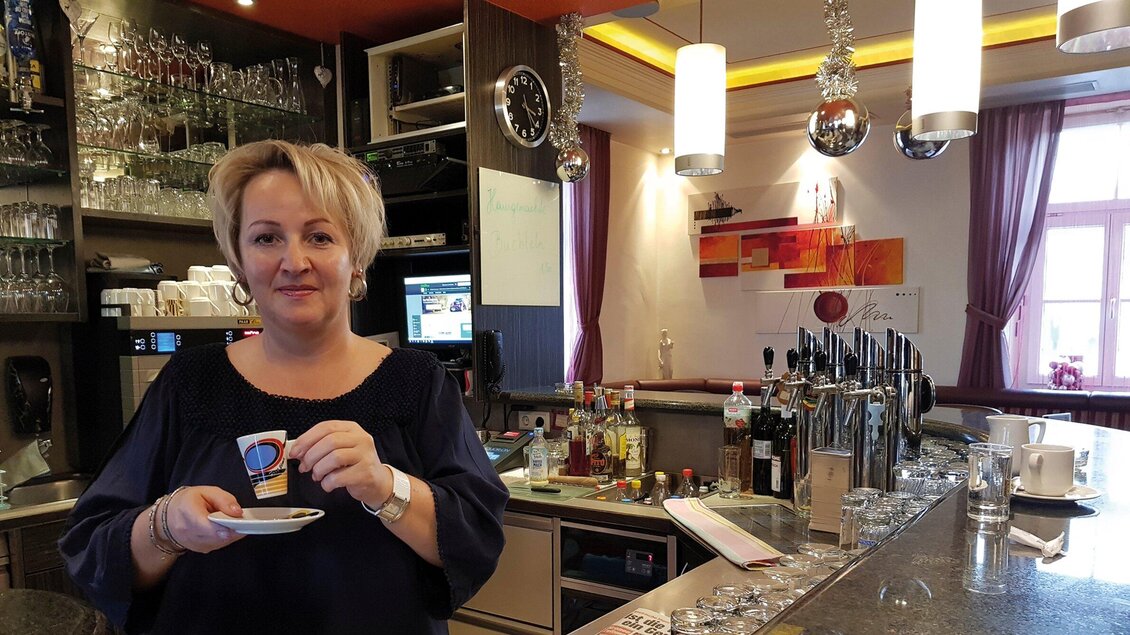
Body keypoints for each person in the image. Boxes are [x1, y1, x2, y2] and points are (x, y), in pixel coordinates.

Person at [60, 140, 508, 634]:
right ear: (239, 263)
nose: (293, 261)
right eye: (266, 238)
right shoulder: (190, 384)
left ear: (355, 257)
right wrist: (166, 526)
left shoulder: (418, 383)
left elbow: (476, 541)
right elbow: (93, 550)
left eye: (319, 237)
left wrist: (387, 487)